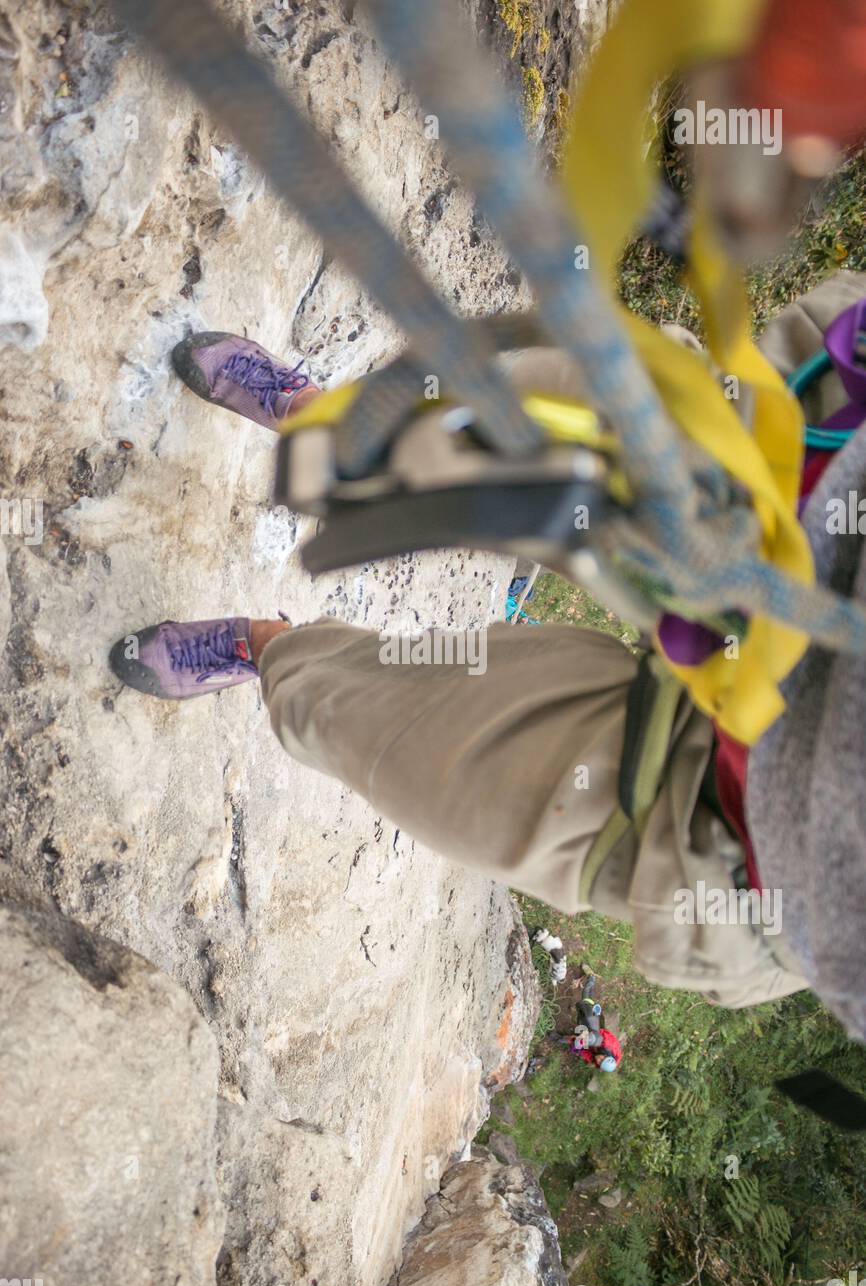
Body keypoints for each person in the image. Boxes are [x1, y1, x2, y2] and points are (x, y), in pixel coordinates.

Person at [108, 278, 866, 1042]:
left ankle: (263, 649)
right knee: (465, 425)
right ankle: (319, 420)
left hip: (732, 837)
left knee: (354, 721)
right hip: (802, 467)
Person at [569, 971, 621, 1073]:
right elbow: (599, 1035)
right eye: (602, 1059)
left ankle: (592, 1006)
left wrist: (578, 1046)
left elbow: (587, 1053)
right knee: (585, 1000)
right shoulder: (608, 1044)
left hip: (594, 1037)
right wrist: (586, 1038)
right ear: (607, 1055)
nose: (599, 1059)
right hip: (597, 1033)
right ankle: (591, 978)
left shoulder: (597, 1061)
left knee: (587, 1004)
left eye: (600, 1062)